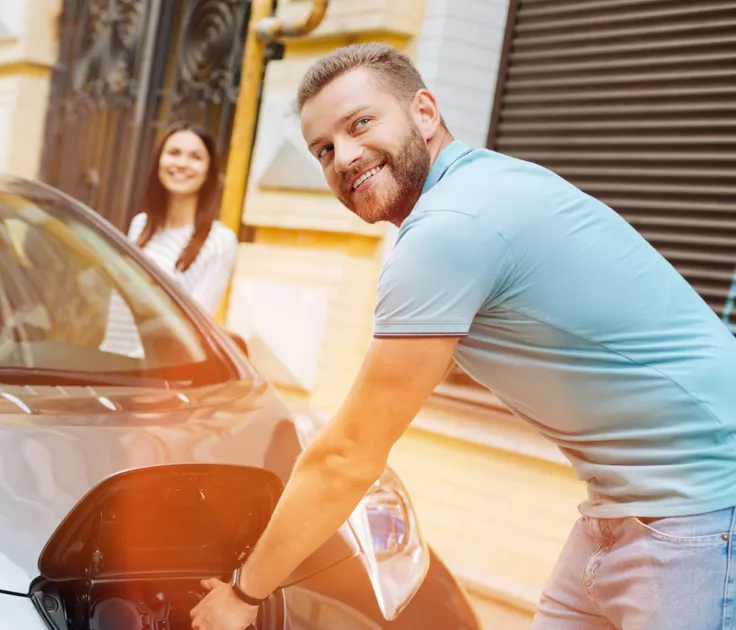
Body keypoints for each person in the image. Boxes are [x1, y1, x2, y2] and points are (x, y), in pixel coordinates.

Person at [190, 42, 736, 630]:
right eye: (323, 149)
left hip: (702, 509)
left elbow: (348, 456)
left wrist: (244, 596)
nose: (344, 157)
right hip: (627, 508)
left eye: (360, 124)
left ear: (425, 112)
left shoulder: (450, 228)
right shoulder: (478, 190)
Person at [126, 121, 237, 317]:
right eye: (174, 153)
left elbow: (198, 321)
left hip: (162, 348)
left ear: (208, 170)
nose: (182, 164)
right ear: (159, 160)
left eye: (195, 157)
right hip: (113, 346)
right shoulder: (140, 225)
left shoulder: (220, 241)